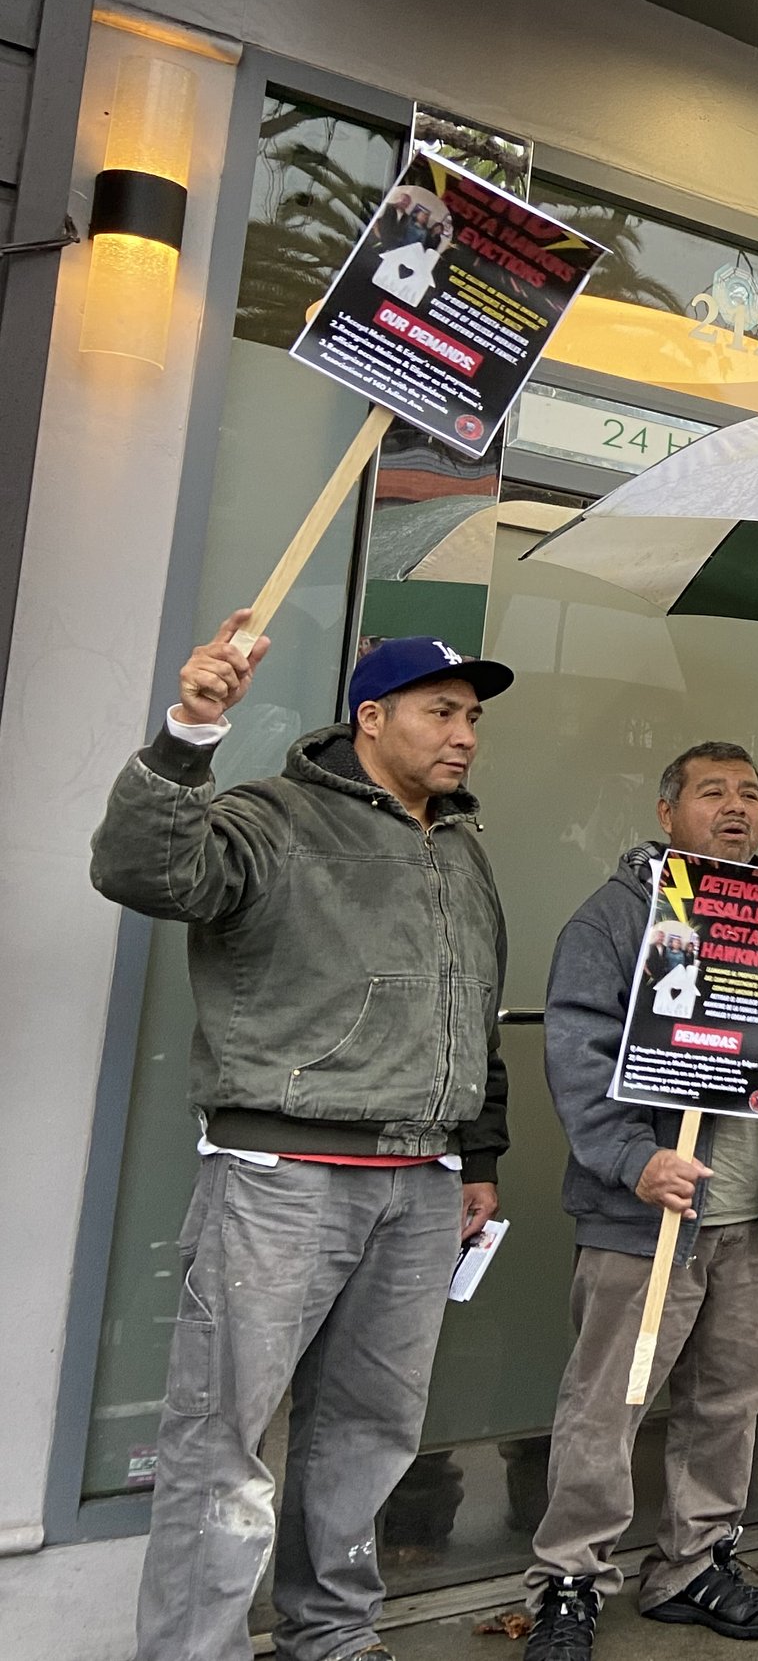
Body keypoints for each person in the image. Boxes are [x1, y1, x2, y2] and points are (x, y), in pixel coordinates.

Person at [92, 622, 513, 1661]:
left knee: (367, 1434)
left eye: (470, 717)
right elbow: (141, 870)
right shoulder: (269, 816)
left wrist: (481, 1155)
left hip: (422, 1180)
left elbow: (477, 1008)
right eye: (439, 712)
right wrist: (192, 729)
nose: (462, 736)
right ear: (370, 718)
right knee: (222, 1437)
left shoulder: (459, 842)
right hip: (283, 1175)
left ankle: (333, 1635)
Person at [523, 744, 758, 1658]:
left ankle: (694, 1562)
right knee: (610, 1403)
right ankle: (569, 1579)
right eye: (712, 791)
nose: (736, 807)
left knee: (728, 1400)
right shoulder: (617, 915)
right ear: (666, 808)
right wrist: (630, 1158)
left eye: (752, 792)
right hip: (647, 1211)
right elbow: (575, 1046)